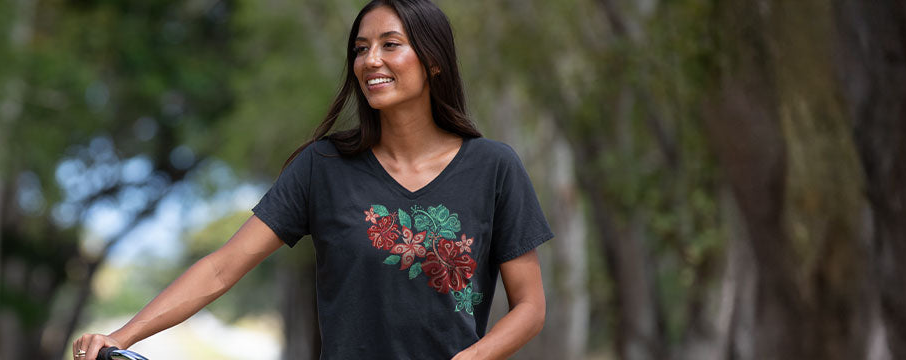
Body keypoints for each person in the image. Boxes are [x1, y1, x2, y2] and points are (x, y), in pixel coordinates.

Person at [70, 0, 552, 358]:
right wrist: (121, 337)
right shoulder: (324, 165)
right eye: (361, 49)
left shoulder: (493, 167)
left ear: (433, 61)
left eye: (390, 45)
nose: (370, 60)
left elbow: (530, 306)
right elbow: (222, 268)